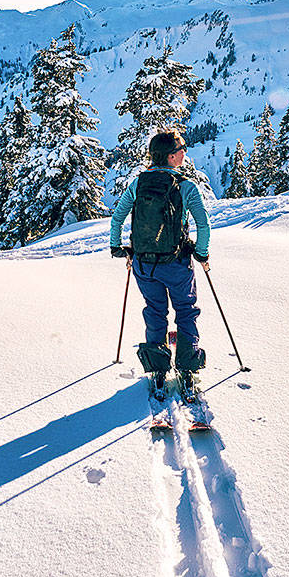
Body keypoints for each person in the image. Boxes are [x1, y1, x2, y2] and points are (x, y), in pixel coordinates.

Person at [110, 130, 210, 388]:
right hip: (176, 263)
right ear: (171, 156)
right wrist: (201, 253)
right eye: (182, 149)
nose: (185, 152)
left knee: (155, 311)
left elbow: (118, 218)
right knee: (186, 311)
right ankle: (187, 366)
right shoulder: (186, 186)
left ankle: (157, 368)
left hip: (144, 264)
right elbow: (203, 224)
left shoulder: (138, 183)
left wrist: (118, 247)